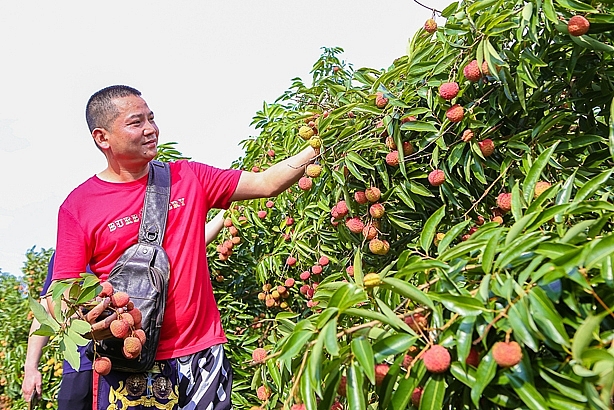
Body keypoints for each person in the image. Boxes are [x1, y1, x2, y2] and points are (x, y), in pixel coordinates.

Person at [48, 85, 318, 409]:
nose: (151, 129)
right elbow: (60, 292)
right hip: (132, 362)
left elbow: (267, 183)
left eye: (151, 118)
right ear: (102, 138)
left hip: (203, 354)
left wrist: (318, 146)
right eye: (136, 123)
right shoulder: (79, 206)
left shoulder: (188, 177)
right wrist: (89, 319)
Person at [22, 208, 229, 409]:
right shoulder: (65, 255)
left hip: (122, 364)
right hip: (79, 367)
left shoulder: (128, 247)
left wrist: (224, 216)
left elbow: (185, 251)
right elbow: (46, 311)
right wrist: (30, 368)